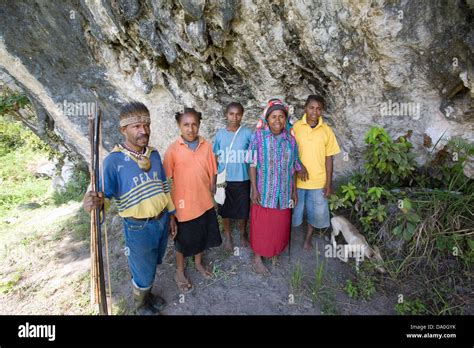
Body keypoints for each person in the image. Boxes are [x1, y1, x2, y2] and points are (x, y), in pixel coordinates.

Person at [83, 101, 177, 315]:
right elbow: (102, 198)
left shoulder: (153, 154)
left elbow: (164, 186)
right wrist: (93, 204)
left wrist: (171, 215)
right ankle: (141, 306)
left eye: (146, 125)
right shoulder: (113, 162)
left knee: (153, 261)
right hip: (138, 227)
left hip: (161, 221)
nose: (143, 130)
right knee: (142, 269)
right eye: (136, 126)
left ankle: (148, 295)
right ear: (123, 130)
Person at [163, 107, 222, 293]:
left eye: (194, 124)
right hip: (183, 206)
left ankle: (198, 263)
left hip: (204, 202)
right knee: (182, 240)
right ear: (179, 126)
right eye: (186, 125)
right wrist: (171, 211)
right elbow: (166, 181)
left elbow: (213, 170)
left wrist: (212, 187)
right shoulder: (173, 150)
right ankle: (180, 271)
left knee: (201, 235)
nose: (191, 129)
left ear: (199, 125)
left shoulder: (206, 145)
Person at [247, 98, 302, 275]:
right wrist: (255, 189)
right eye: (273, 117)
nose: (277, 121)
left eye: (281, 117)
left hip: (284, 192)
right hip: (264, 191)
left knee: (279, 225)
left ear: (286, 119)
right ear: (267, 119)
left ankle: (273, 251)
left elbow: (293, 166)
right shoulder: (258, 137)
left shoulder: (290, 141)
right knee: (261, 225)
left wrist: (294, 190)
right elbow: (252, 164)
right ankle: (257, 257)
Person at [292, 95, 341, 250]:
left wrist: (328, 183)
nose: (315, 111)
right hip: (297, 181)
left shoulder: (326, 131)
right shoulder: (295, 128)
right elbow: (289, 152)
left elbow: (329, 158)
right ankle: (291, 237)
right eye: (312, 107)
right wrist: (298, 166)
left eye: (319, 108)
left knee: (316, 212)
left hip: (318, 181)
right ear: (305, 108)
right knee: (294, 211)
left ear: (322, 111)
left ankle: (308, 238)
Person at [213, 102, 253, 251]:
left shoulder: (248, 133)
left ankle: (243, 233)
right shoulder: (220, 135)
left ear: (242, 115)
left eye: (238, 114)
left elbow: (254, 154)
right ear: (226, 115)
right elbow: (215, 156)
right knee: (224, 208)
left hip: (242, 178)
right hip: (224, 178)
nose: (234, 117)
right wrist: (215, 178)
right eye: (231, 114)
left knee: (243, 208)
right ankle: (228, 235)